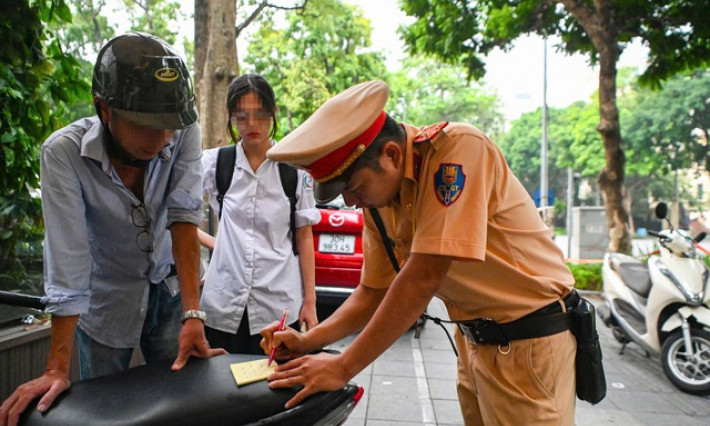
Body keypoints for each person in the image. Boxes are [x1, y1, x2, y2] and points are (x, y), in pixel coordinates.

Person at [260, 80, 578, 425]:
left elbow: (423, 276)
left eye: (354, 187)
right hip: (475, 342)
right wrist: (307, 341)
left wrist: (343, 366)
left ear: (392, 154)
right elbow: (372, 292)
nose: (350, 202)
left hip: (528, 341)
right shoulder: (379, 198)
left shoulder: (458, 152)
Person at [0, 32, 225, 426]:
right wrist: (56, 368)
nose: (160, 139)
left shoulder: (183, 129)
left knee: (184, 403)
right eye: (145, 125)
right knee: (102, 410)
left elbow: (185, 217)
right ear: (103, 109)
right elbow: (69, 261)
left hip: (172, 288)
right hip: (105, 298)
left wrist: (194, 314)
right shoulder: (62, 154)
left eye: (168, 126)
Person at [198, 74, 320, 355]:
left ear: (274, 112)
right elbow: (178, 213)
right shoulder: (215, 164)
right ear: (230, 117)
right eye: (241, 116)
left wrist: (310, 302)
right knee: (221, 388)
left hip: (276, 305)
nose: (251, 125)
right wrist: (218, 245)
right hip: (224, 302)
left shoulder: (294, 169)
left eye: (261, 115)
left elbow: (304, 236)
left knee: (271, 389)